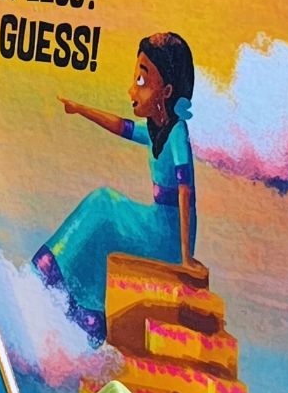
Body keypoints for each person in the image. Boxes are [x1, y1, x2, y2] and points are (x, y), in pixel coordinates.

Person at [33, 32, 203, 345]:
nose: (132, 90)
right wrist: (80, 108)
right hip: (157, 224)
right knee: (106, 218)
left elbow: (185, 191)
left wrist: (185, 257)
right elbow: (119, 126)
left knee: (104, 204)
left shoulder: (177, 131)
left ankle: (57, 274)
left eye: (142, 80)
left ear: (166, 91)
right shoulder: (156, 130)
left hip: (167, 235)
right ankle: (89, 310)